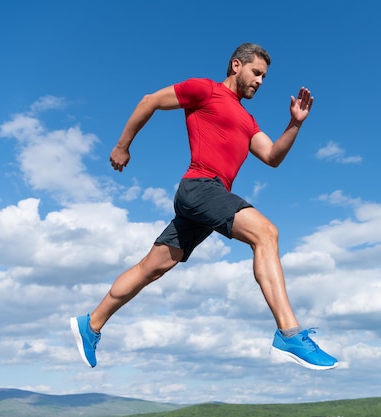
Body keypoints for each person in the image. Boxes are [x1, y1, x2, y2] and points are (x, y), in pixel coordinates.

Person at [70, 43, 338, 370]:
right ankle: (289, 332)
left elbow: (272, 157)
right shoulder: (205, 90)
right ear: (237, 65)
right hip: (200, 187)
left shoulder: (248, 121)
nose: (260, 81)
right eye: (256, 73)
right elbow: (149, 101)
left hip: (206, 202)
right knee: (266, 233)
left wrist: (295, 124)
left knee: (151, 267)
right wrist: (122, 146)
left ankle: (91, 323)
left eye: (265, 77)